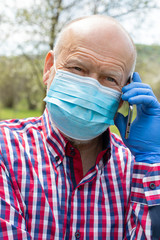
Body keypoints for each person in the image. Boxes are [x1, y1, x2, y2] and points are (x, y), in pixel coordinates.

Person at [0, 15, 160, 240]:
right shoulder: (4, 149)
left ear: (124, 96)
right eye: (78, 68)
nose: (91, 86)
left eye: (109, 79)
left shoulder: (136, 168)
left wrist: (151, 161)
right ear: (49, 68)